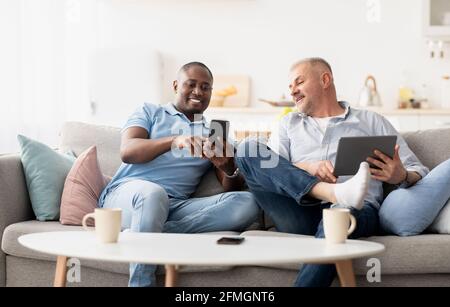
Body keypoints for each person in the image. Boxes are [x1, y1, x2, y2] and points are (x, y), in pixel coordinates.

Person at [235, 57, 450, 287]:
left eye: (299, 82)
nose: (293, 91)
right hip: (299, 211)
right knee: (248, 148)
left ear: (325, 79)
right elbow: (274, 171)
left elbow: (418, 170)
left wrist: (401, 175)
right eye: (290, 87)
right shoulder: (288, 124)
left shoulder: (370, 121)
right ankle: (333, 192)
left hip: (354, 210)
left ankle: (339, 199)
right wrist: (309, 168)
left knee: (339, 217)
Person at [98, 62, 259, 287]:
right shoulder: (150, 111)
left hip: (176, 207)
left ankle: (145, 229)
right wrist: (174, 141)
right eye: (191, 84)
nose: (198, 92)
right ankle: (141, 282)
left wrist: (227, 167)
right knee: (153, 194)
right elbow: (128, 151)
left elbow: (229, 187)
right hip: (127, 196)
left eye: (205, 87)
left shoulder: (213, 132)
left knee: (248, 202)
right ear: (176, 85)